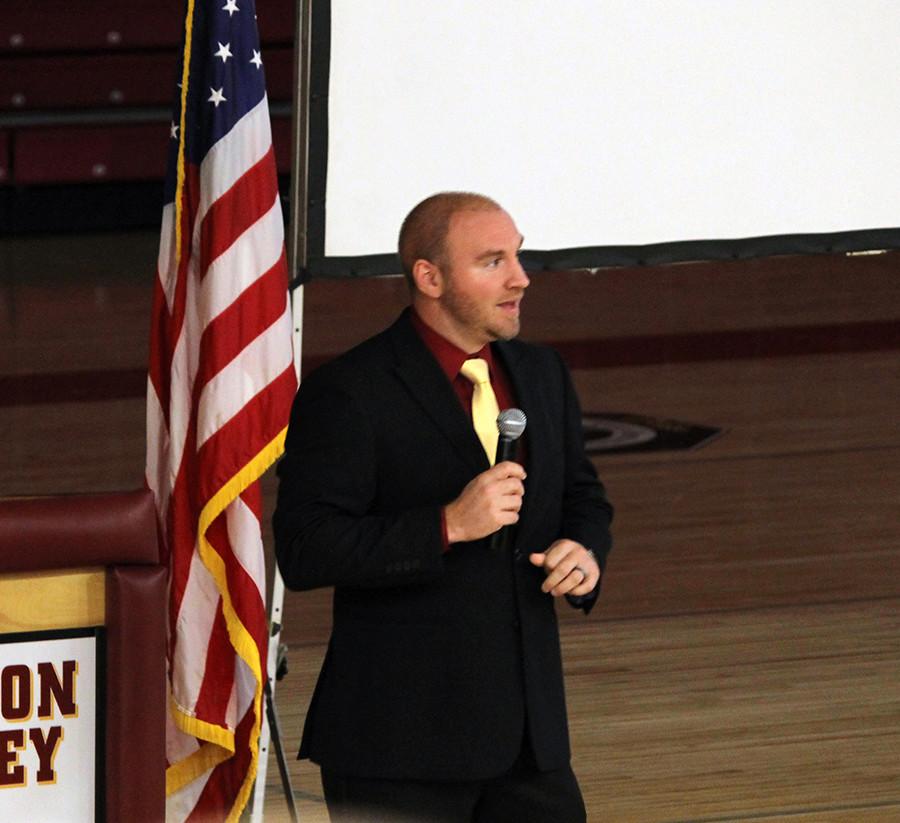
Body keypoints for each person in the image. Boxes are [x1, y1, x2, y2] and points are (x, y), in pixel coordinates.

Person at [273, 192, 613, 822]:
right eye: (492, 261)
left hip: (529, 744)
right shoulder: (349, 390)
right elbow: (306, 547)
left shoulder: (541, 373)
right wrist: (447, 525)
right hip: (399, 745)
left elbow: (582, 497)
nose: (520, 277)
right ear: (428, 277)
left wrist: (584, 554)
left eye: (517, 255)